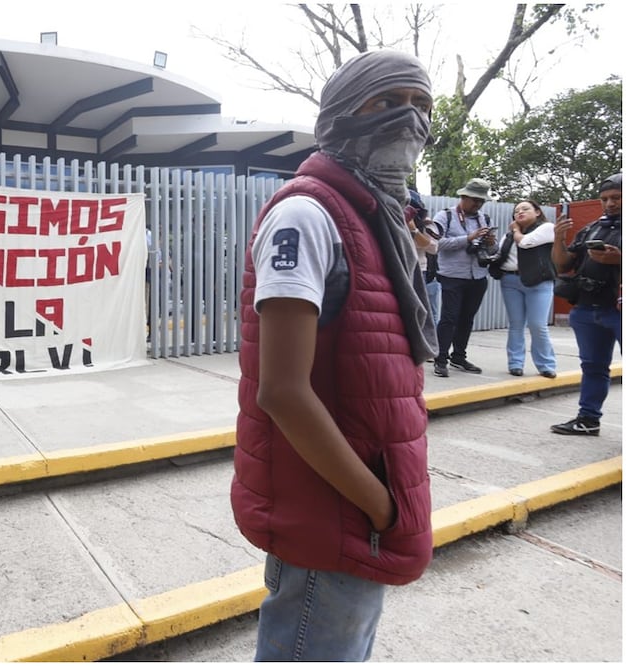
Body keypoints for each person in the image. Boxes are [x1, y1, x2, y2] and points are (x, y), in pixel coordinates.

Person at [231, 50, 437, 661]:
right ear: (342, 113)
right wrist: (377, 504)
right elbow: (283, 391)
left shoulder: (377, 218)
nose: (408, 120)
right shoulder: (309, 213)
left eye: (420, 106)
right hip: (338, 503)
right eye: (386, 102)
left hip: (362, 491)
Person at [550, 173, 622, 436]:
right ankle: (588, 420)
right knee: (592, 367)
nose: (610, 204)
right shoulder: (592, 227)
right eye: (605, 199)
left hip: (618, 310)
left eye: (616, 197)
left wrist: (619, 260)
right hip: (587, 309)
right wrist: (559, 238)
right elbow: (563, 264)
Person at [431, 177, 498, 377]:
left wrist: (491, 242)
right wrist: (468, 238)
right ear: (463, 196)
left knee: (467, 319)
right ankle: (440, 358)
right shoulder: (444, 216)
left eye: (481, 201)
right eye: (474, 200)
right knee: (449, 318)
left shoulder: (485, 219)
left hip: (478, 276)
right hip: (452, 276)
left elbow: (492, 249)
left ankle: (458, 357)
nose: (477, 204)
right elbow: (437, 244)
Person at [490, 199, 558, 377]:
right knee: (516, 324)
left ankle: (546, 365)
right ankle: (515, 363)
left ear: (537, 212)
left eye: (525, 209)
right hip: (511, 281)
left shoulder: (547, 228)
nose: (520, 212)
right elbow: (499, 254)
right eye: (517, 210)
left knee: (537, 325)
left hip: (539, 282)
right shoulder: (509, 236)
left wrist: (515, 230)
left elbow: (526, 242)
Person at [406, 188, 442, 325]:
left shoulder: (425, 223)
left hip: (421, 271)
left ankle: (430, 344)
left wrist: (414, 230)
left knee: (427, 314)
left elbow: (433, 247)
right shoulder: (391, 218)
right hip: (400, 269)